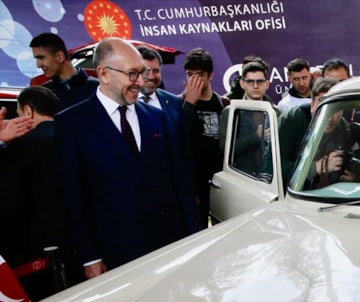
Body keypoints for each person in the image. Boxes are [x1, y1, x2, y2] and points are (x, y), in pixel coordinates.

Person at [55, 37, 201, 279]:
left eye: (142, 73)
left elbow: (179, 181)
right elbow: (73, 198)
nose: (141, 82)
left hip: (168, 246)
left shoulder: (156, 117)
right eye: (133, 74)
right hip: (115, 254)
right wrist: (90, 257)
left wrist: (195, 237)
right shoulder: (72, 124)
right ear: (104, 74)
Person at [0, 86, 79, 301]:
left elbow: (9, 207)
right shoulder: (79, 137)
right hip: (87, 254)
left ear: (28, 111)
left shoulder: (16, 150)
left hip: (38, 263)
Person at [180, 48, 229, 224]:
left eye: (199, 75)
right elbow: (179, 138)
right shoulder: (179, 103)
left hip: (220, 180)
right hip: (194, 182)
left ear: (210, 75)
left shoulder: (224, 103)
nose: (194, 80)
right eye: (190, 74)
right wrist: (190, 104)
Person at [219, 60, 280, 176]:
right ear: (242, 84)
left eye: (260, 81)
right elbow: (224, 149)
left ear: (267, 84)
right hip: (241, 178)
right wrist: (256, 137)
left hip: (272, 179)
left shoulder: (276, 112)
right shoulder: (231, 112)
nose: (255, 86)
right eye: (250, 81)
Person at [279, 76, 338, 178]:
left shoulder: (343, 126)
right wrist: (316, 168)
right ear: (312, 105)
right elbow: (277, 165)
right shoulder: (292, 119)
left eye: (335, 109)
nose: (329, 117)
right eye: (322, 107)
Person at [29, 32, 99, 108]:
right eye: (37, 59)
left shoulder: (98, 89)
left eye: (41, 58)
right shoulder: (43, 94)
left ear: (60, 57)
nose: (38, 65)